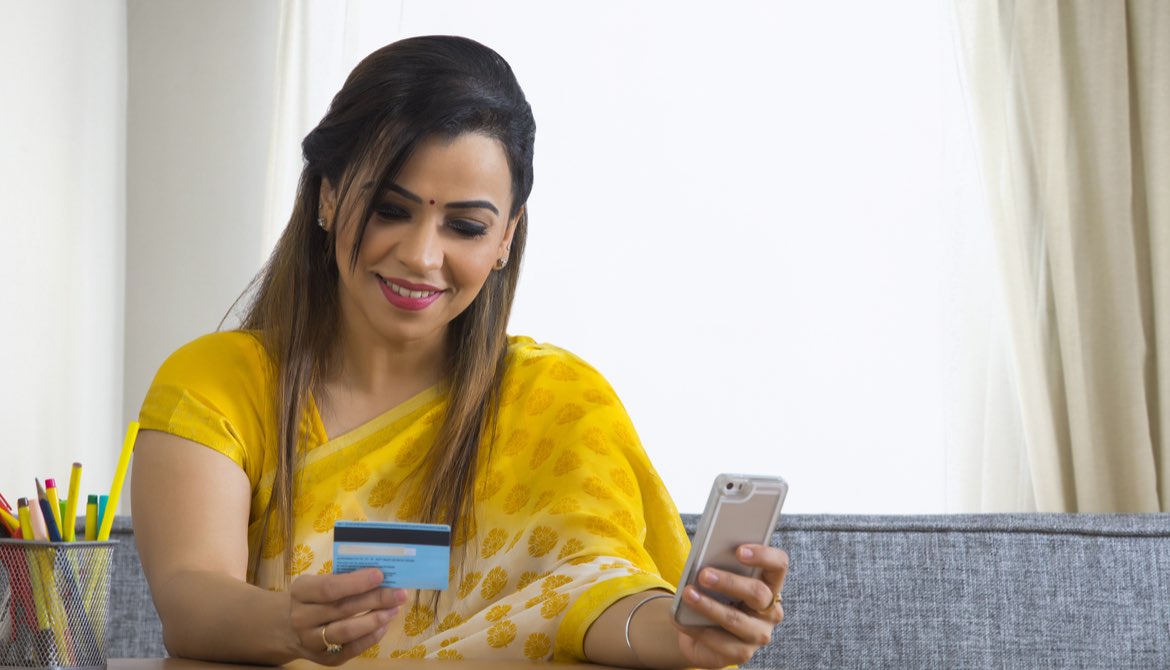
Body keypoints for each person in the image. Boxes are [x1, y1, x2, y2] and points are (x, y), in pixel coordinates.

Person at [130, 35, 788, 668]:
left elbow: (595, 589)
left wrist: (683, 634)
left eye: (465, 226)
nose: (421, 255)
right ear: (329, 196)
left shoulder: (559, 404)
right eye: (391, 209)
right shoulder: (214, 384)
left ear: (506, 236)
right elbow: (190, 598)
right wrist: (290, 625)